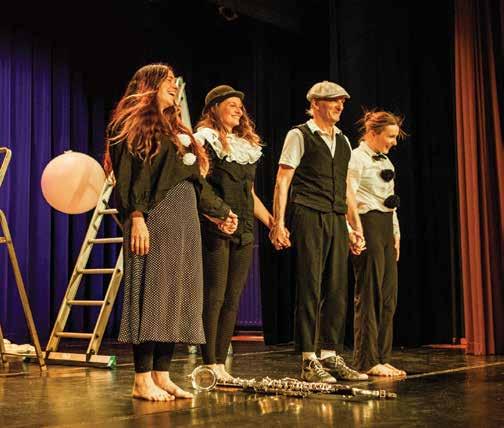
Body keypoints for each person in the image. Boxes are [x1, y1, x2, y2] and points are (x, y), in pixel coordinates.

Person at [104, 64, 237, 401]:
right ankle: (141, 378)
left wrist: (221, 213)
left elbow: (194, 181)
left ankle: (161, 375)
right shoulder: (131, 124)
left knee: (177, 296)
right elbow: (129, 175)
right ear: (149, 86)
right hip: (155, 217)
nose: (174, 87)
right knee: (153, 295)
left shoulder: (176, 130)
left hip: (185, 219)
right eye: (167, 82)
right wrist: (136, 216)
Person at [270, 81, 367, 383]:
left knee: (337, 287)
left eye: (342, 102)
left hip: (336, 216)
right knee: (310, 284)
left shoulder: (344, 140)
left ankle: (329, 354)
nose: (339, 106)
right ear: (315, 104)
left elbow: (347, 190)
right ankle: (308, 359)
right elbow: (283, 180)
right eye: (333, 101)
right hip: (308, 212)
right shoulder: (299, 135)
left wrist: (354, 227)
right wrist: (278, 222)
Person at [194, 85, 279, 381]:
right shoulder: (204, 140)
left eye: (240, 106)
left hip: (244, 228)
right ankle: (209, 361)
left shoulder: (245, 146)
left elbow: (249, 194)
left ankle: (220, 363)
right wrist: (218, 215)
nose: (238, 109)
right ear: (214, 108)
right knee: (214, 295)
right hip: (215, 226)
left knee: (233, 298)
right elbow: (199, 187)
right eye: (231, 104)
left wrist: (272, 223)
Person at [348, 110, 407, 377]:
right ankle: (367, 360)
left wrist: (396, 233)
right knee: (369, 292)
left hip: (385, 225)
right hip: (367, 222)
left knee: (388, 295)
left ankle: (382, 357)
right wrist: (353, 230)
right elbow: (348, 196)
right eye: (390, 136)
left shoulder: (387, 161)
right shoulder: (356, 158)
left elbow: (390, 200)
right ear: (373, 133)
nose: (394, 142)